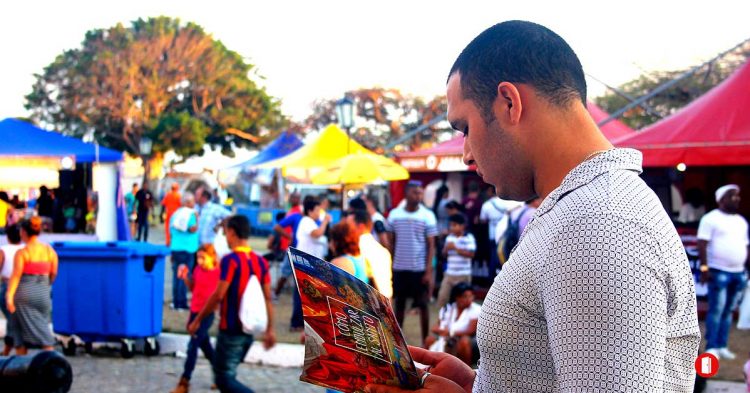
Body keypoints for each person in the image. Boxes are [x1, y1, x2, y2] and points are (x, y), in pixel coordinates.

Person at [367, 21, 699, 393]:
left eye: (464, 128)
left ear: (509, 102)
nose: (465, 154)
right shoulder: (583, 209)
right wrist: (479, 384)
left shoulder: (597, 224)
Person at [188, 215, 275, 393]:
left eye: (226, 232)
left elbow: (218, 294)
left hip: (231, 330)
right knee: (229, 374)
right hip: (249, 332)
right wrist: (270, 330)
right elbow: (267, 298)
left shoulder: (230, 260)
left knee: (223, 379)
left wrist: (198, 319)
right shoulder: (261, 262)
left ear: (232, 233)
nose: (225, 236)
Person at [698, 184, 749, 360]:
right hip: (718, 271)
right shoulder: (710, 219)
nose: (737, 198)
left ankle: (722, 344)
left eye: (737, 195)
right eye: (732, 196)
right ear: (721, 199)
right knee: (716, 310)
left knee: (729, 311)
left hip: (738, 272)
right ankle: (711, 346)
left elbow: (745, 246)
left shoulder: (741, 221)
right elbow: (702, 244)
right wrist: (704, 268)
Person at [387, 180, 437, 346]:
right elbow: (391, 242)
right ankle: (397, 341)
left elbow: (431, 245)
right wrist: (392, 262)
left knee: (422, 304)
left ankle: (425, 342)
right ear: (407, 193)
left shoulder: (427, 215)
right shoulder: (395, 214)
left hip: (419, 269)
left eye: (420, 193)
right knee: (399, 304)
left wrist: (429, 270)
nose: (419, 196)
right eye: (416, 192)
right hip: (400, 268)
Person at [171, 244, 221, 393]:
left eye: (203, 257)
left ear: (212, 257)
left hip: (206, 314)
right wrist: (186, 277)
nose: (199, 261)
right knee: (206, 347)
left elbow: (217, 297)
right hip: (194, 311)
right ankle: (221, 377)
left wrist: (197, 321)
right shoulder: (198, 270)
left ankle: (184, 382)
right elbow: (194, 288)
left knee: (192, 346)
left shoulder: (218, 274)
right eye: (198, 257)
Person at [5, 217, 58, 355]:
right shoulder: (49, 251)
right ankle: (49, 359)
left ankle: (23, 367)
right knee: (42, 326)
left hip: (24, 296)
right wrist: (43, 286)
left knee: (19, 333)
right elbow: (53, 273)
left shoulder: (23, 253)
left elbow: (16, 276)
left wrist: (9, 296)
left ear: (23, 232)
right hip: (43, 295)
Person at [424, 282, 480, 366]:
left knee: (464, 341)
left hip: (470, 341)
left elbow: (471, 330)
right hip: (447, 338)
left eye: (471, 296)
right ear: (457, 297)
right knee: (429, 340)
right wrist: (445, 333)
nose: (469, 299)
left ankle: (465, 370)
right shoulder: (447, 308)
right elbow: (434, 328)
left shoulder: (476, 309)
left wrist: (450, 332)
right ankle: (430, 369)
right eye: (465, 296)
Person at [346, 209, 393, 298]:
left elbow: (383, 290)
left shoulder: (363, 248)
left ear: (361, 227)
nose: (345, 229)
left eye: (348, 226)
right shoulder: (381, 250)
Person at [437, 214, 475, 308]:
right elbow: (444, 255)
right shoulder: (449, 238)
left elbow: (471, 254)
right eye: (451, 225)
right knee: (442, 298)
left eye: (454, 225)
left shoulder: (469, 238)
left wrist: (456, 248)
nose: (452, 228)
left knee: (462, 302)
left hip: (463, 275)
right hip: (450, 274)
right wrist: (446, 249)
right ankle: (443, 319)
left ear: (462, 226)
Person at [169, 193, 200, 310]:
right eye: (192, 202)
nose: (194, 204)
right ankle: (181, 302)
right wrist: (197, 218)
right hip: (187, 249)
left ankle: (175, 300)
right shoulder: (190, 214)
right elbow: (193, 229)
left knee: (177, 276)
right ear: (187, 203)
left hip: (176, 248)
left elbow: (171, 230)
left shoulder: (175, 214)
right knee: (184, 276)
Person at [479, 196, 520, 276]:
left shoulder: (487, 204)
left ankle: (492, 277)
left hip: (492, 234)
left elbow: (483, 219)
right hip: (505, 235)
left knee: (493, 256)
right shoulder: (509, 202)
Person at [0, 224, 23, 355]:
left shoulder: (4, 250)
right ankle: (10, 347)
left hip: (7, 286)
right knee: (15, 319)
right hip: (24, 286)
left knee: (12, 319)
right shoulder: (25, 249)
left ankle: (14, 347)